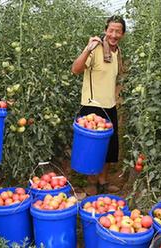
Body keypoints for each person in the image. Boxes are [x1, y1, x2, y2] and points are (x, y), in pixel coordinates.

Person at [71, 15, 126, 195]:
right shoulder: (95, 49)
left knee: (109, 147)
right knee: (92, 148)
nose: (114, 34)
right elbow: (76, 69)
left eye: (118, 31)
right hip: (92, 105)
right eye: (111, 30)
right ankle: (91, 183)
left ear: (123, 34)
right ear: (105, 31)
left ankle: (103, 181)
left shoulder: (117, 52)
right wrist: (87, 49)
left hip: (109, 106)